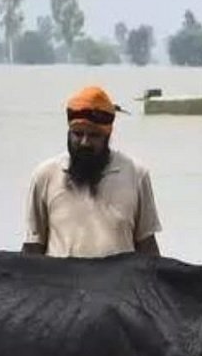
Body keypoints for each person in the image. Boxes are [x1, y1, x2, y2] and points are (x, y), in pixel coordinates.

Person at [22, 86, 162, 258]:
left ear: (107, 137)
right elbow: (33, 247)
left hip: (118, 284)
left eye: (94, 135)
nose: (84, 143)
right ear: (68, 133)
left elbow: (147, 245)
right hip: (60, 284)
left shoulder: (136, 175)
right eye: (78, 134)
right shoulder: (45, 175)